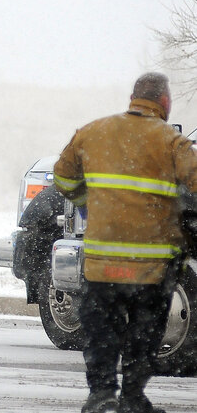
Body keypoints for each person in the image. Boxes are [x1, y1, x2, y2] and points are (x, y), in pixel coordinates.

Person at [53, 72, 197, 413]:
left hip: (102, 261)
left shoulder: (93, 131)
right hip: (151, 265)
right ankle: (133, 396)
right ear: (164, 103)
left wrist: (90, 200)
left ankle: (101, 394)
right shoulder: (172, 143)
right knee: (144, 334)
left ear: (133, 97)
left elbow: (62, 177)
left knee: (101, 330)